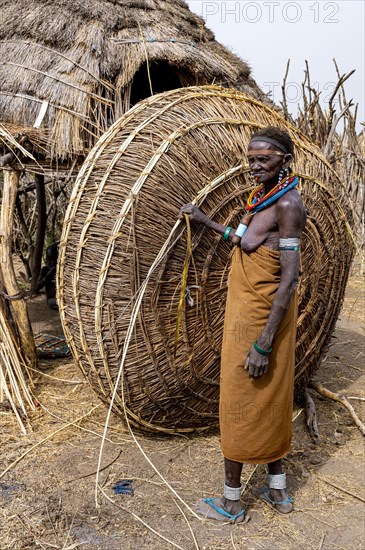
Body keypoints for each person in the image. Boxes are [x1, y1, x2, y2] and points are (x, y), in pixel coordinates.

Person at [180, 127, 306, 522]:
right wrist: (205, 222)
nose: (254, 166)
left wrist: (264, 343)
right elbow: (248, 240)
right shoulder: (264, 198)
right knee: (267, 398)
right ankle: (278, 492)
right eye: (251, 159)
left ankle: (232, 502)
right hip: (250, 314)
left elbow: (289, 278)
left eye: (263, 159)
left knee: (240, 400)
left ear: (284, 161)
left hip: (262, 321)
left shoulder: (288, 205)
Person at [35, 244, 58, 310]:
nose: (52, 262)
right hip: (52, 299)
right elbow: (37, 287)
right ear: (46, 259)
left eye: (54, 260)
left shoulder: (61, 269)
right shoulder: (45, 270)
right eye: (50, 260)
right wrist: (47, 277)